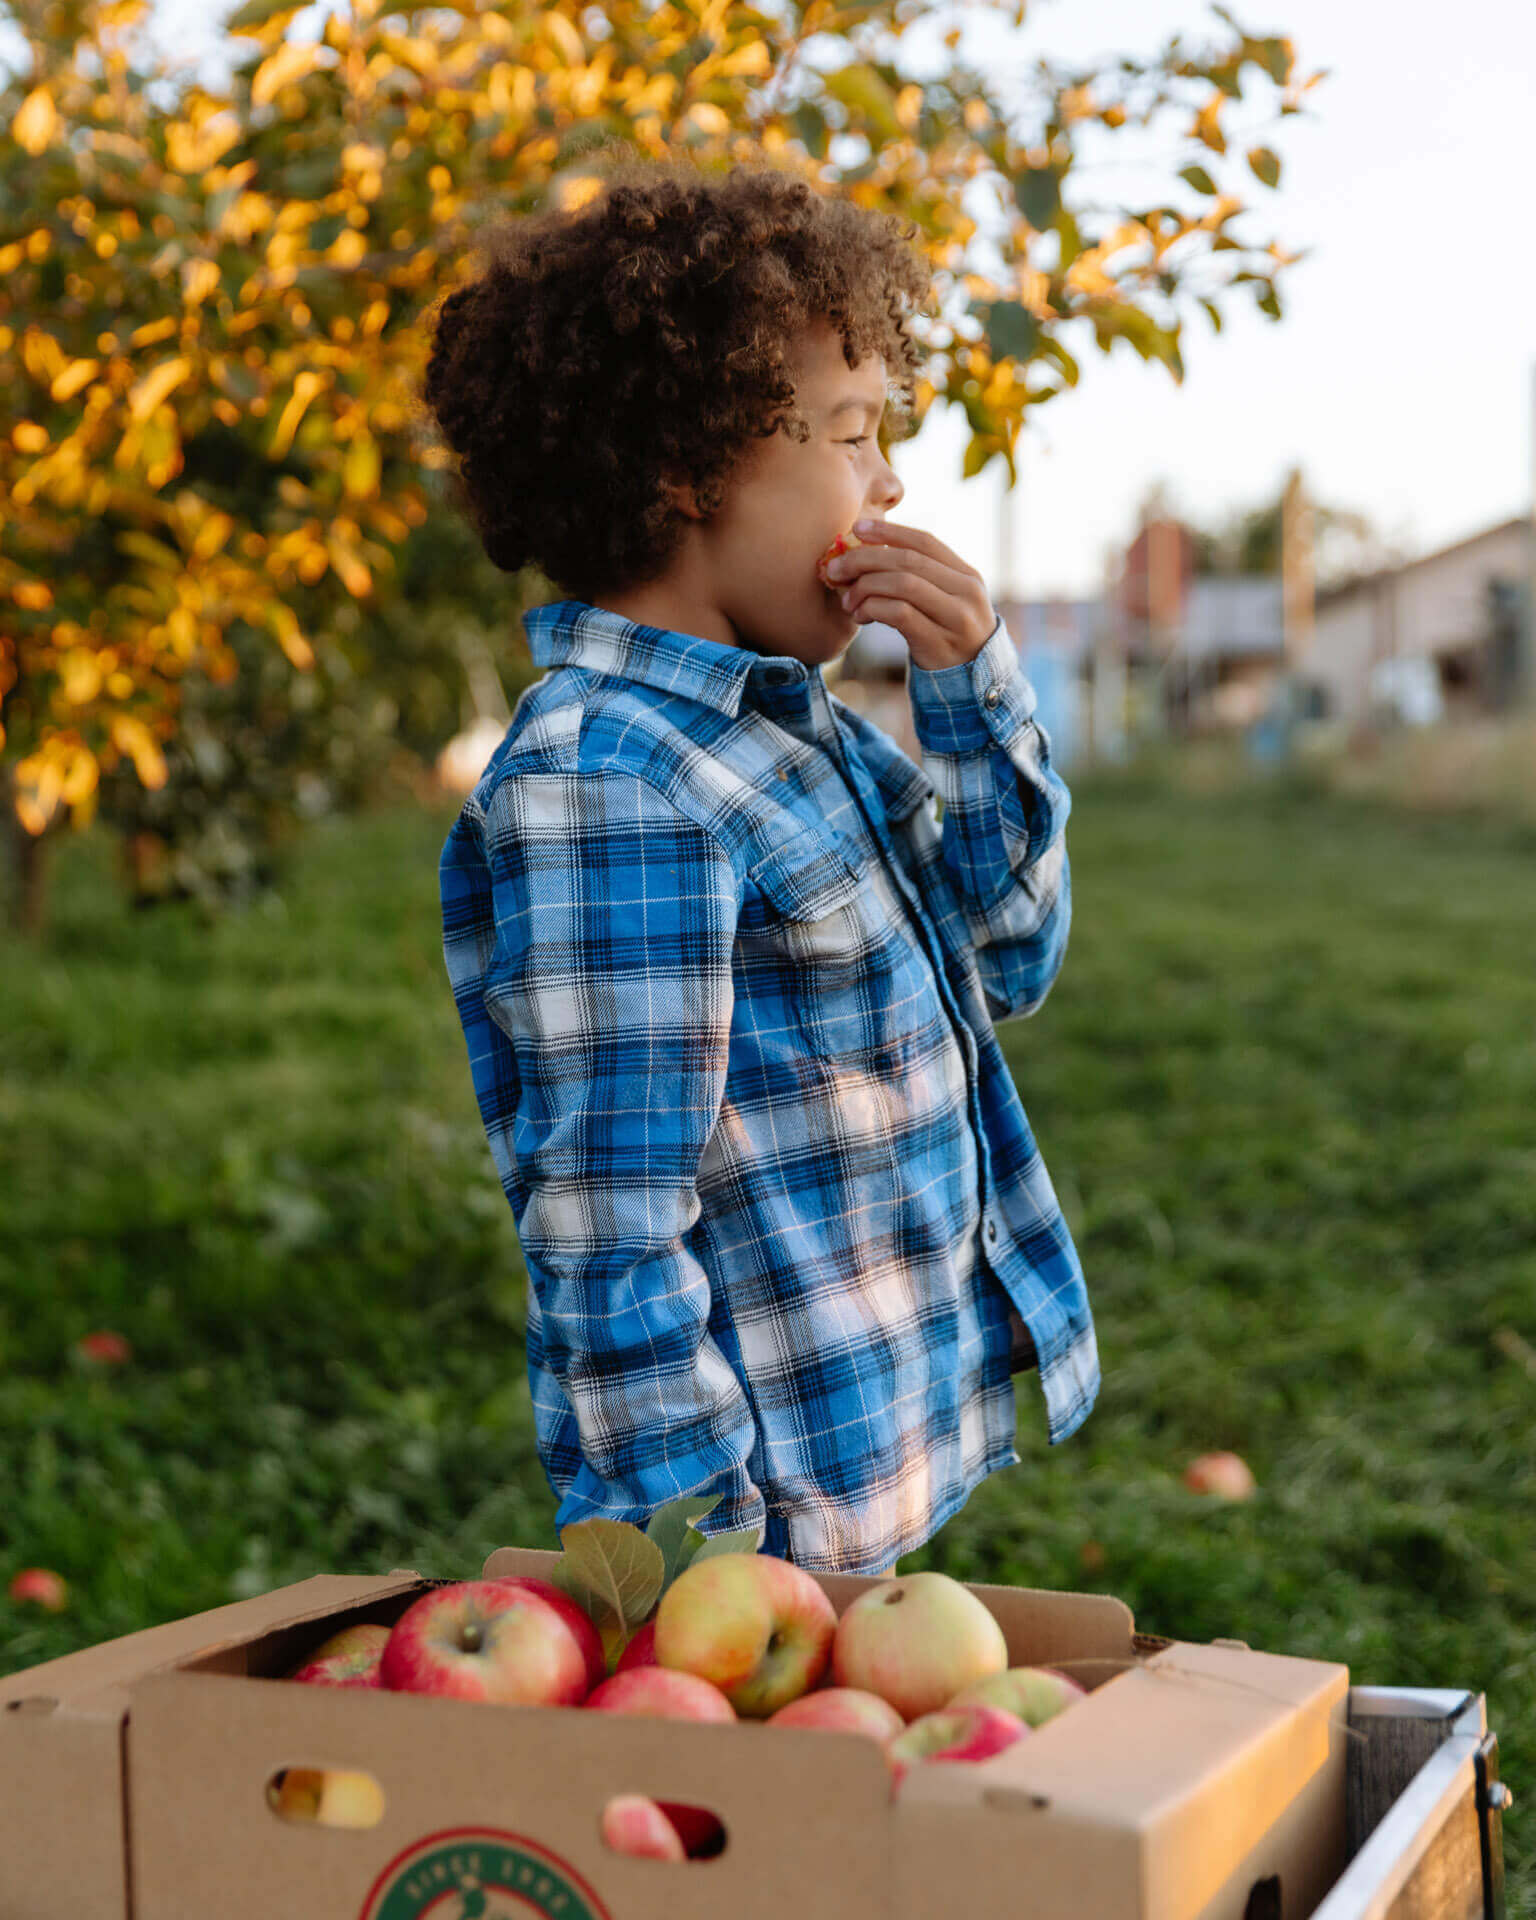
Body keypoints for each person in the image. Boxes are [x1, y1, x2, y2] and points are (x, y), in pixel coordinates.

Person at [425, 154, 1098, 1579]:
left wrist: (974, 689)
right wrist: (699, 1556)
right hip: (766, 1541)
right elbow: (611, 1224)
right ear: (688, 463)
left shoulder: (792, 737)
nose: (892, 478)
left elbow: (1012, 952)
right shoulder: (614, 783)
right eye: (850, 433)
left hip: (870, 1459)